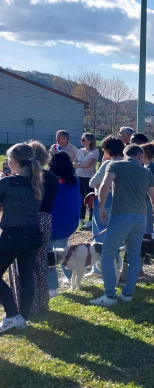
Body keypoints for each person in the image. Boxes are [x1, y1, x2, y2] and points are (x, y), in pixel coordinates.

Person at [91, 144, 154, 306]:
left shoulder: (115, 164)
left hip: (120, 216)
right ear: (140, 156)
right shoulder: (147, 172)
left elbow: (104, 185)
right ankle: (127, 293)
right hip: (141, 217)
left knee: (108, 255)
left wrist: (101, 207)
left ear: (125, 155)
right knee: (134, 255)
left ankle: (110, 296)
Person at [9, 141, 58, 315]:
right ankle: (42, 304)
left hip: (27, 221)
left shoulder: (24, 179)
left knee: (22, 265)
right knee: (40, 264)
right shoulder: (50, 177)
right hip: (46, 220)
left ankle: (27, 306)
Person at [0, 143, 44, 333]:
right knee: (26, 276)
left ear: (14, 161)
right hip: (33, 233)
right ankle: (22, 317)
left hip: (13, 234)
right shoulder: (37, 182)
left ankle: (12, 315)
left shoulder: (7, 183)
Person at [45, 152, 81, 297]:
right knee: (62, 250)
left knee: (48, 255)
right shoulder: (75, 180)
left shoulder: (46, 180)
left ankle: (52, 288)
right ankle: (70, 277)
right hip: (69, 224)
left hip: (50, 224)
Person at [76, 133, 99, 230]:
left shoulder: (95, 152)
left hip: (89, 178)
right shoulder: (80, 150)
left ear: (89, 141)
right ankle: (81, 218)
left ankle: (91, 220)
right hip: (79, 176)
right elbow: (74, 162)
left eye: (83, 139)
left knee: (90, 199)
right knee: (80, 198)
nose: (81, 141)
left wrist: (79, 164)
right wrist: (81, 164)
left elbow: (88, 165)